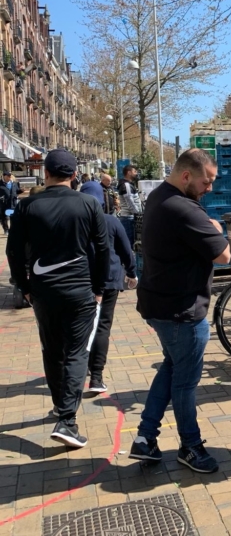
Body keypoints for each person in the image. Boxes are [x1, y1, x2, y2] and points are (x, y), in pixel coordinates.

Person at [129, 149, 230, 474]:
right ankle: (191, 447)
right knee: (184, 384)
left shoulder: (160, 196)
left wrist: (208, 225)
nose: (210, 188)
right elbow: (224, 255)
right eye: (207, 181)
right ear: (186, 175)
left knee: (171, 369)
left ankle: (145, 438)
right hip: (182, 311)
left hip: (159, 303)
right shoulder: (183, 208)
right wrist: (215, 227)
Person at [7, 149, 110, 449]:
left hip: (43, 292)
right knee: (77, 352)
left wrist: (24, 285)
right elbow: (103, 250)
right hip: (80, 290)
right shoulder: (90, 204)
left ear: (46, 173)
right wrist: (100, 287)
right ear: (75, 175)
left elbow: (13, 250)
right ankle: (67, 419)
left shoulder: (27, 206)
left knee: (52, 349)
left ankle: (59, 407)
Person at [80, 181, 139, 395]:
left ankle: (79, 370)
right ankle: (96, 376)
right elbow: (126, 250)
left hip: (81, 281)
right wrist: (132, 273)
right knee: (102, 326)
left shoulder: (75, 222)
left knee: (80, 327)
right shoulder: (110, 221)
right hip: (109, 279)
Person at [117, 164, 142, 247]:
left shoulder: (128, 184)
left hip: (129, 217)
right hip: (129, 218)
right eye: (134, 171)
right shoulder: (126, 185)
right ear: (129, 173)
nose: (136, 173)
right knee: (129, 243)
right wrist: (138, 214)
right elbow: (130, 202)